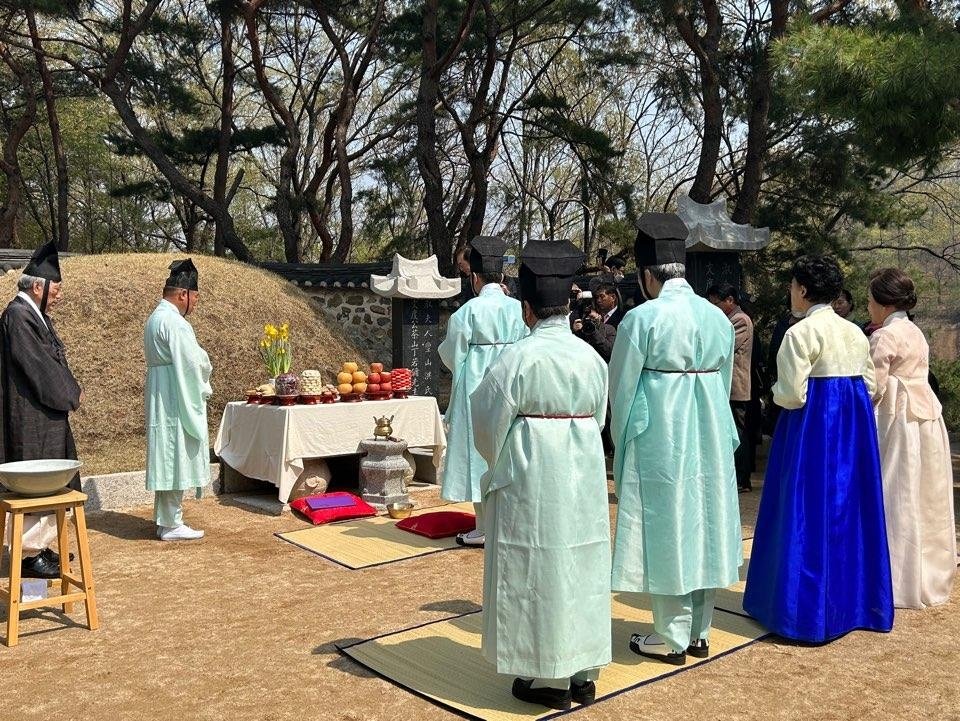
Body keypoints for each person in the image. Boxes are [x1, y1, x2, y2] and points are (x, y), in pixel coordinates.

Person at [471, 239, 610, 710]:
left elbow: (486, 425)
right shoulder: (591, 358)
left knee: (536, 567)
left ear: (526, 308)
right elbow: (602, 419)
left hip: (531, 473)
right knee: (582, 564)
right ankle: (583, 670)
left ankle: (546, 676)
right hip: (583, 472)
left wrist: (500, 463)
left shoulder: (516, 358)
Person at [609, 213, 742, 665]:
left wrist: (621, 440)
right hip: (709, 428)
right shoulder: (716, 317)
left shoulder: (641, 318)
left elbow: (622, 389)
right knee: (703, 521)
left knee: (667, 526)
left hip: (661, 434)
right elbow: (722, 384)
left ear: (648, 275)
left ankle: (670, 634)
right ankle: (699, 631)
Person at [743, 255, 893, 642]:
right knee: (848, 510)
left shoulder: (800, 333)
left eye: (793, 286)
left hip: (810, 428)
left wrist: (781, 395)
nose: (791, 293)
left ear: (803, 290)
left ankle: (801, 611)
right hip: (852, 428)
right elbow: (872, 386)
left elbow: (791, 394)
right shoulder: (856, 333)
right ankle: (854, 603)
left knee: (802, 509)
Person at [867, 268, 955, 608]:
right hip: (926, 416)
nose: (870, 307)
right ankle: (927, 570)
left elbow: (872, 387)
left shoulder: (883, 336)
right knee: (925, 492)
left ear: (885, 304)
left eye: (872, 300)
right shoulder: (916, 331)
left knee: (896, 488)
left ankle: (895, 574)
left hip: (898, 417)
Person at [0, 241, 83, 579]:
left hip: (40, 415)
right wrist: (71, 392)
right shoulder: (19, 317)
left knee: (47, 487)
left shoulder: (31, 315)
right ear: (38, 286)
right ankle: (28, 556)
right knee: (36, 484)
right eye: (56, 289)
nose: (59, 296)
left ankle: (38, 547)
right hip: (30, 418)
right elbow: (40, 368)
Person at [438, 236, 526, 547]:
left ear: (474, 278)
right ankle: (510, 524)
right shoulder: (519, 308)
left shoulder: (467, 312)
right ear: (501, 276)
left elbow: (452, 352)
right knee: (509, 451)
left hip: (477, 383)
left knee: (479, 455)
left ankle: (482, 527)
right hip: (514, 383)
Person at [144, 259, 212, 541]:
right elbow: (192, 363)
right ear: (183, 294)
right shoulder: (175, 323)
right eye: (195, 297)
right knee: (174, 453)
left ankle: (166, 519)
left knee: (167, 453)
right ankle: (172, 523)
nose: (195, 303)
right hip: (175, 393)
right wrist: (205, 375)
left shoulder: (154, 318)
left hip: (162, 390)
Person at [707, 283, 755, 492]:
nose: (713, 307)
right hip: (728, 386)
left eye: (716, 303)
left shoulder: (739, 320)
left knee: (739, 432)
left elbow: (723, 346)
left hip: (736, 386)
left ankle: (742, 479)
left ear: (730, 301)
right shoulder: (728, 319)